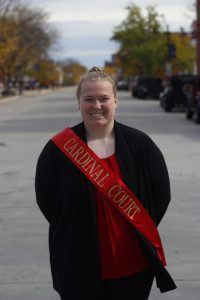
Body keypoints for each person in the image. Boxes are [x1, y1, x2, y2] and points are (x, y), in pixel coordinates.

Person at [35, 67, 176, 300]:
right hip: (77, 264)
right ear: (78, 103)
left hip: (133, 266)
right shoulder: (56, 150)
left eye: (104, 99)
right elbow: (47, 201)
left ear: (116, 102)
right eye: (88, 99)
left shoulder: (141, 145)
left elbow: (161, 196)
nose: (97, 105)